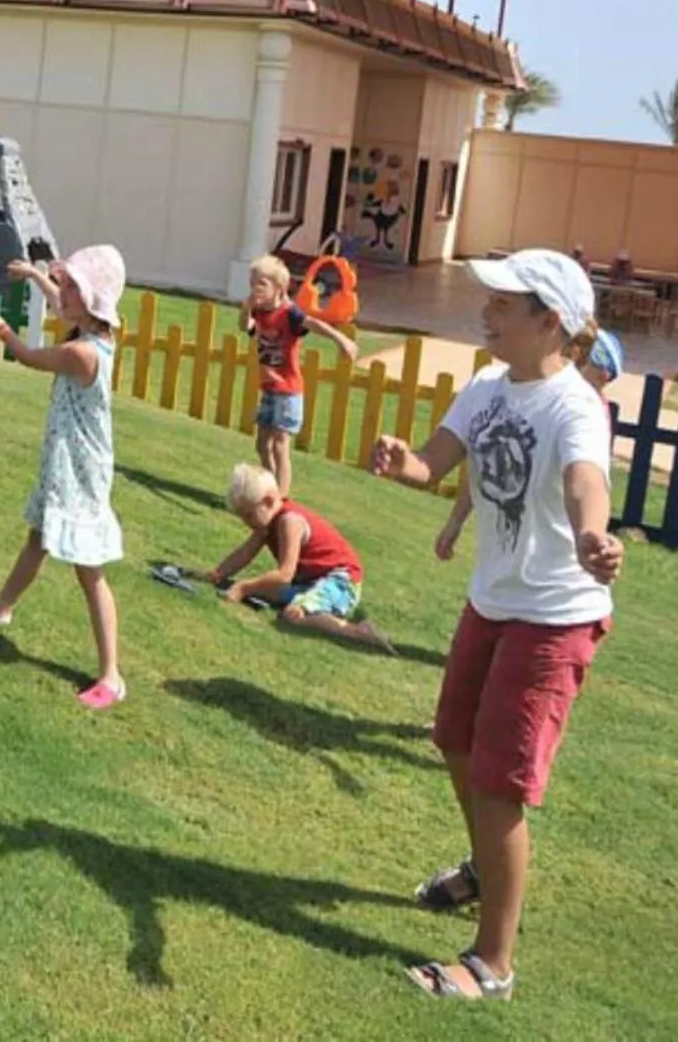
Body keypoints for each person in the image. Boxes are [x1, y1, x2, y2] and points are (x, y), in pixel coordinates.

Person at [371, 249, 622, 1002]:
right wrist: (403, 462)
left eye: (504, 305)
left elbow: (586, 479)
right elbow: (436, 462)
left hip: (554, 617)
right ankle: (486, 868)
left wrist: (591, 536)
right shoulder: (485, 387)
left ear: (550, 323)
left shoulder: (575, 405)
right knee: (452, 739)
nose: (486, 314)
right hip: (492, 601)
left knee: (499, 782)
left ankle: (492, 964)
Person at [0, 249, 130, 710]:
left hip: (82, 469)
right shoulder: (93, 333)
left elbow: (29, 355)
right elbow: (60, 303)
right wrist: (36, 274)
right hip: (66, 461)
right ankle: (2, 608)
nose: (63, 293)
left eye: (73, 287)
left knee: (89, 570)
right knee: (38, 538)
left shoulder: (81, 353)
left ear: (91, 301)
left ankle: (112, 675)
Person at [435, 328, 622, 560]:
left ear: (603, 376)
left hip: (554, 566)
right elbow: (485, 468)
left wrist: (592, 531)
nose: (571, 363)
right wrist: (456, 521)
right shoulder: (515, 393)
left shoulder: (585, 411)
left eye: (583, 361)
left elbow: (587, 482)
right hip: (503, 571)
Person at [197, 464, 393, 652]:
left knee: (293, 614)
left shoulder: (289, 521)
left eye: (249, 515)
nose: (246, 522)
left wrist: (244, 587)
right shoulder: (265, 524)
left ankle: (359, 632)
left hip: (341, 581)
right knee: (264, 592)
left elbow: (284, 574)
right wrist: (218, 573)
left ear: (269, 501)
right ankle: (311, 603)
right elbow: (245, 553)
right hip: (312, 581)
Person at [242, 254, 360, 496]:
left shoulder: (289, 314)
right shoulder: (259, 311)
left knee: (279, 445)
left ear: (279, 288)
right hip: (269, 389)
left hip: (288, 390)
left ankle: (281, 498)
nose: (255, 289)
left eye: (261, 284)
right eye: (252, 283)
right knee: (262, 444)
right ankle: (271, 489)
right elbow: (246, 327)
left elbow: (314, 324)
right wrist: (246, 307)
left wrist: (341, 340)